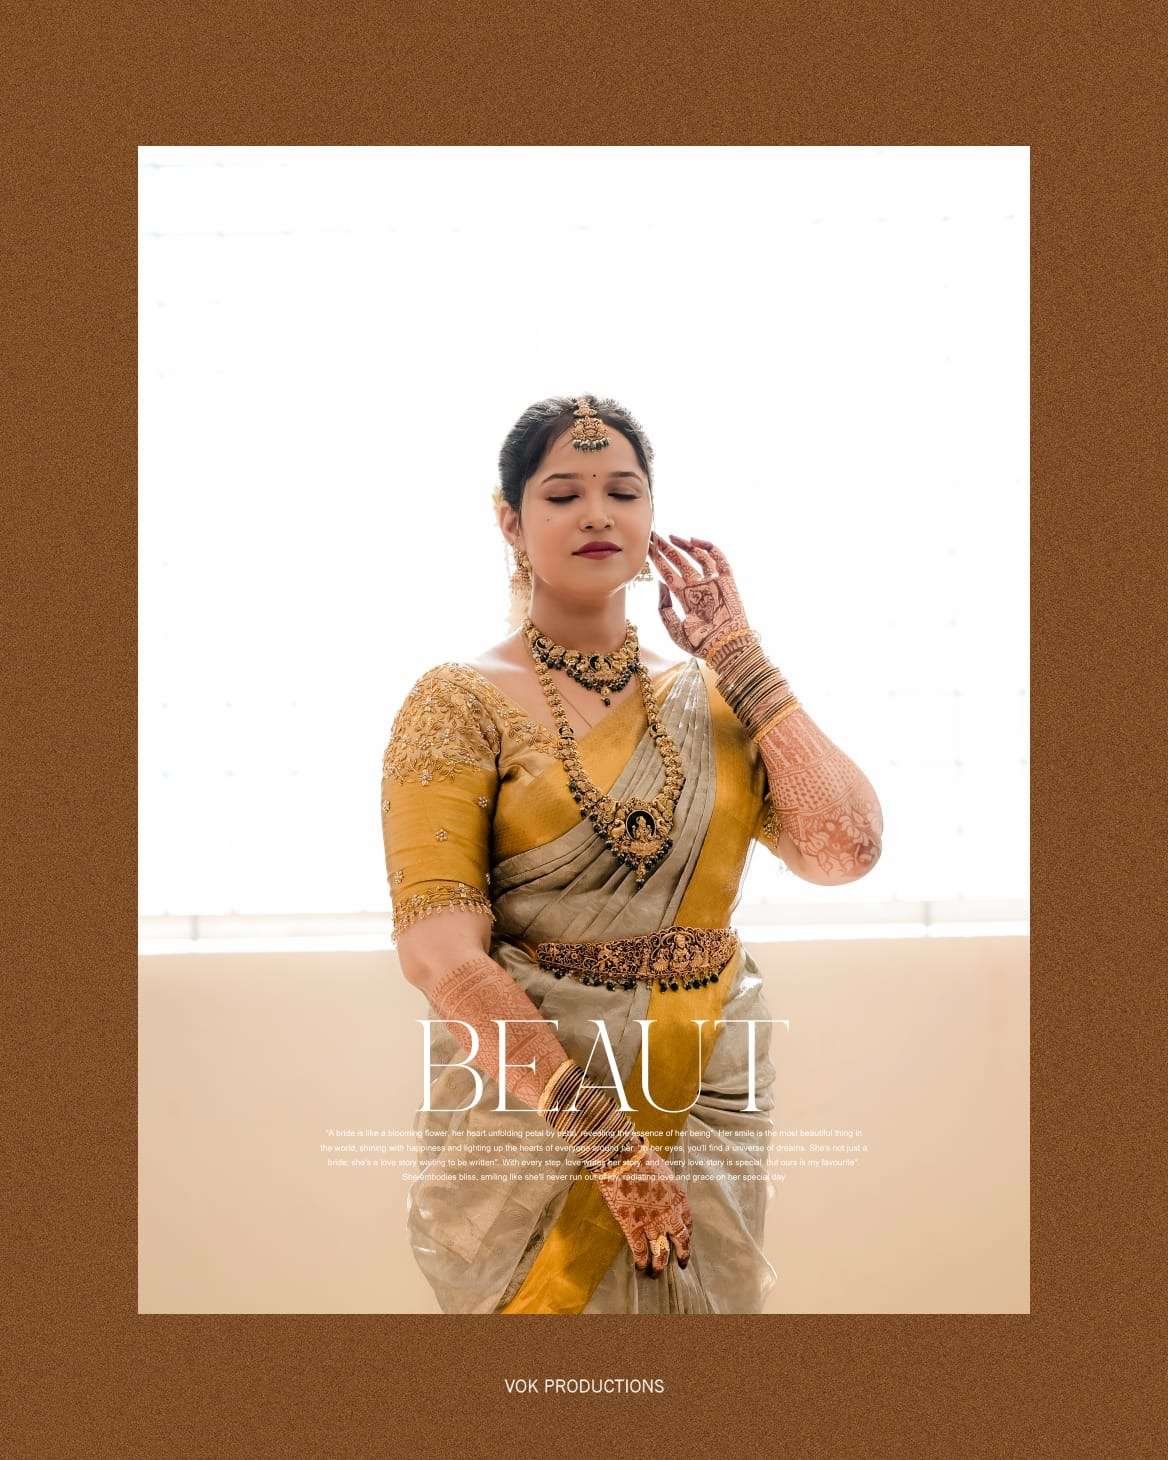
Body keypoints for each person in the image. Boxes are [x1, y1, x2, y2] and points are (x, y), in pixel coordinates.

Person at [380, 394, 883, 1314]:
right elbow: (439, 954)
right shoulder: (456, 703)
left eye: (622, 492)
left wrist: (739, 656)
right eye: (562, 494)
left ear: (652, 515)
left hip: (704, 1083)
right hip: (538, 1115)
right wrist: (601, 1136)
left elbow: (845, 850)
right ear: (510, 521)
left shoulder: (718, 698)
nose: (597, 515)